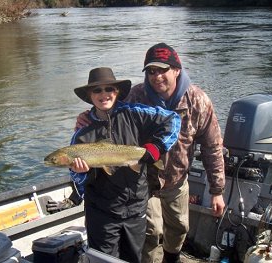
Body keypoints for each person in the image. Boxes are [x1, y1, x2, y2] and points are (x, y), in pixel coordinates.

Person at [75, 43, 226, 263]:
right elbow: (109, 110)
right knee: (151, 232)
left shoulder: (198, 100)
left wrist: (217, 189)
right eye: (151, 71)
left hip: (177, 180)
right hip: (144, 181)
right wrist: (87, 118)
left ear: (177, 70)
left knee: (179, 228)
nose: (156, 77)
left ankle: (171, 259)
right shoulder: (136, 95)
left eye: (163, 70)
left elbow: (212, 146)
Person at [67, 67, 181, 263]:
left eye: (108, 89)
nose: (104, 95)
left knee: (133, 259)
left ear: (116, 91)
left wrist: (156, 148)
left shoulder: (135, 113)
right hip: (102, 212)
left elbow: (173, 120)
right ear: (89, 95)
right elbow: (77, 181)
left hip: (135, 208)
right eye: (97, 90)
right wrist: (79, 173)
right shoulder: (82, 132)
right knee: (103, 260)